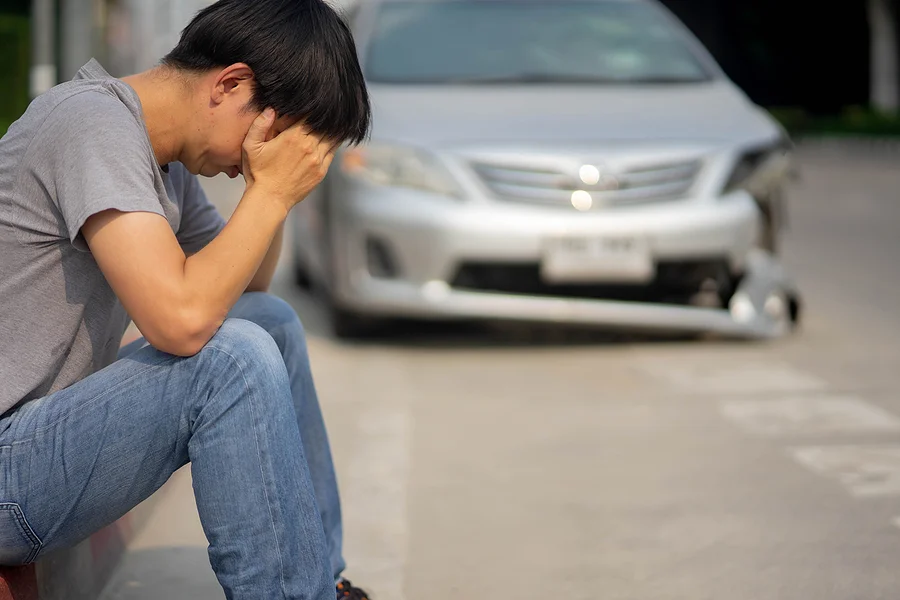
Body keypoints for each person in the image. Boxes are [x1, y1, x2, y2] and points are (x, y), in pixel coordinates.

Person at [0, 0, 372, 598]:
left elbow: (246, 287)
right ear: (230, 85)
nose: (252, 161)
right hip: (8, 464)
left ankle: (323, 582)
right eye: (269, 141)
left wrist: (265, 189)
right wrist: (272, 193)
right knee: (230, 361)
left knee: (267, 323)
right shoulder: (90, 125)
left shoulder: (161, 160)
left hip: (40, 444)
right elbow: (181, 323)